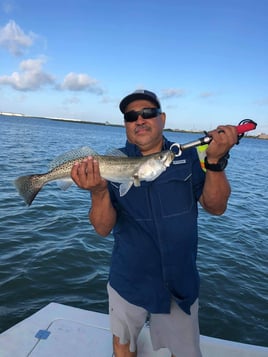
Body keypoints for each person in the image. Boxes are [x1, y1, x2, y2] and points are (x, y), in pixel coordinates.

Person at [71, 89, 238, 357]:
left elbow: (216, 208)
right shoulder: (113, 163)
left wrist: (215, 161)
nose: (139, 119)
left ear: (162, 118)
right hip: (128, 280)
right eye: (131, 116)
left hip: (180, 284)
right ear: (125, 123)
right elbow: (102, 229)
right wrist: (99, 191)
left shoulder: (188, 157)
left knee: (183, 352)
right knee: (123, 349)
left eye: (147, 113)